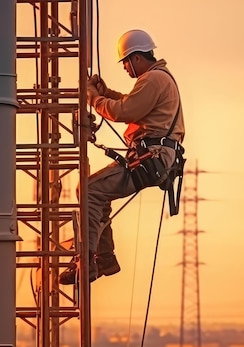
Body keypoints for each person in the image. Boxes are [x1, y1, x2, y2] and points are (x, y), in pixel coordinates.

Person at [59, 29, 185, 284]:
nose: (126, 68)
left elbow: (125, 111)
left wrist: (95, 100)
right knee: (97, 192)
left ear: (137, 58)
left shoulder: (152, 80)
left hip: (153, 156)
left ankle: (88, 260)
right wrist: (107, 93)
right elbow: (133, 104)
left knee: (89, 191)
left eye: (126, 62)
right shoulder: (158, 79)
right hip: (155, 156)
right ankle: (104, 257)